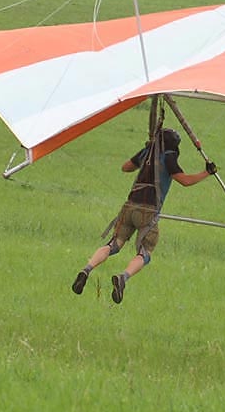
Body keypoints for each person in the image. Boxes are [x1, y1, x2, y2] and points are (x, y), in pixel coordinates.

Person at [72, 127, 215, 303]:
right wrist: (206, 173)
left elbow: (126, 167)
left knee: (114, 244)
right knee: (145, 252)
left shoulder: (147, 152)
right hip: (148, 211)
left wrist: (145, 154)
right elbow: (184, 180)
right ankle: (123, 277)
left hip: (129, 207)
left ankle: (87, 269)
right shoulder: (169, 157)